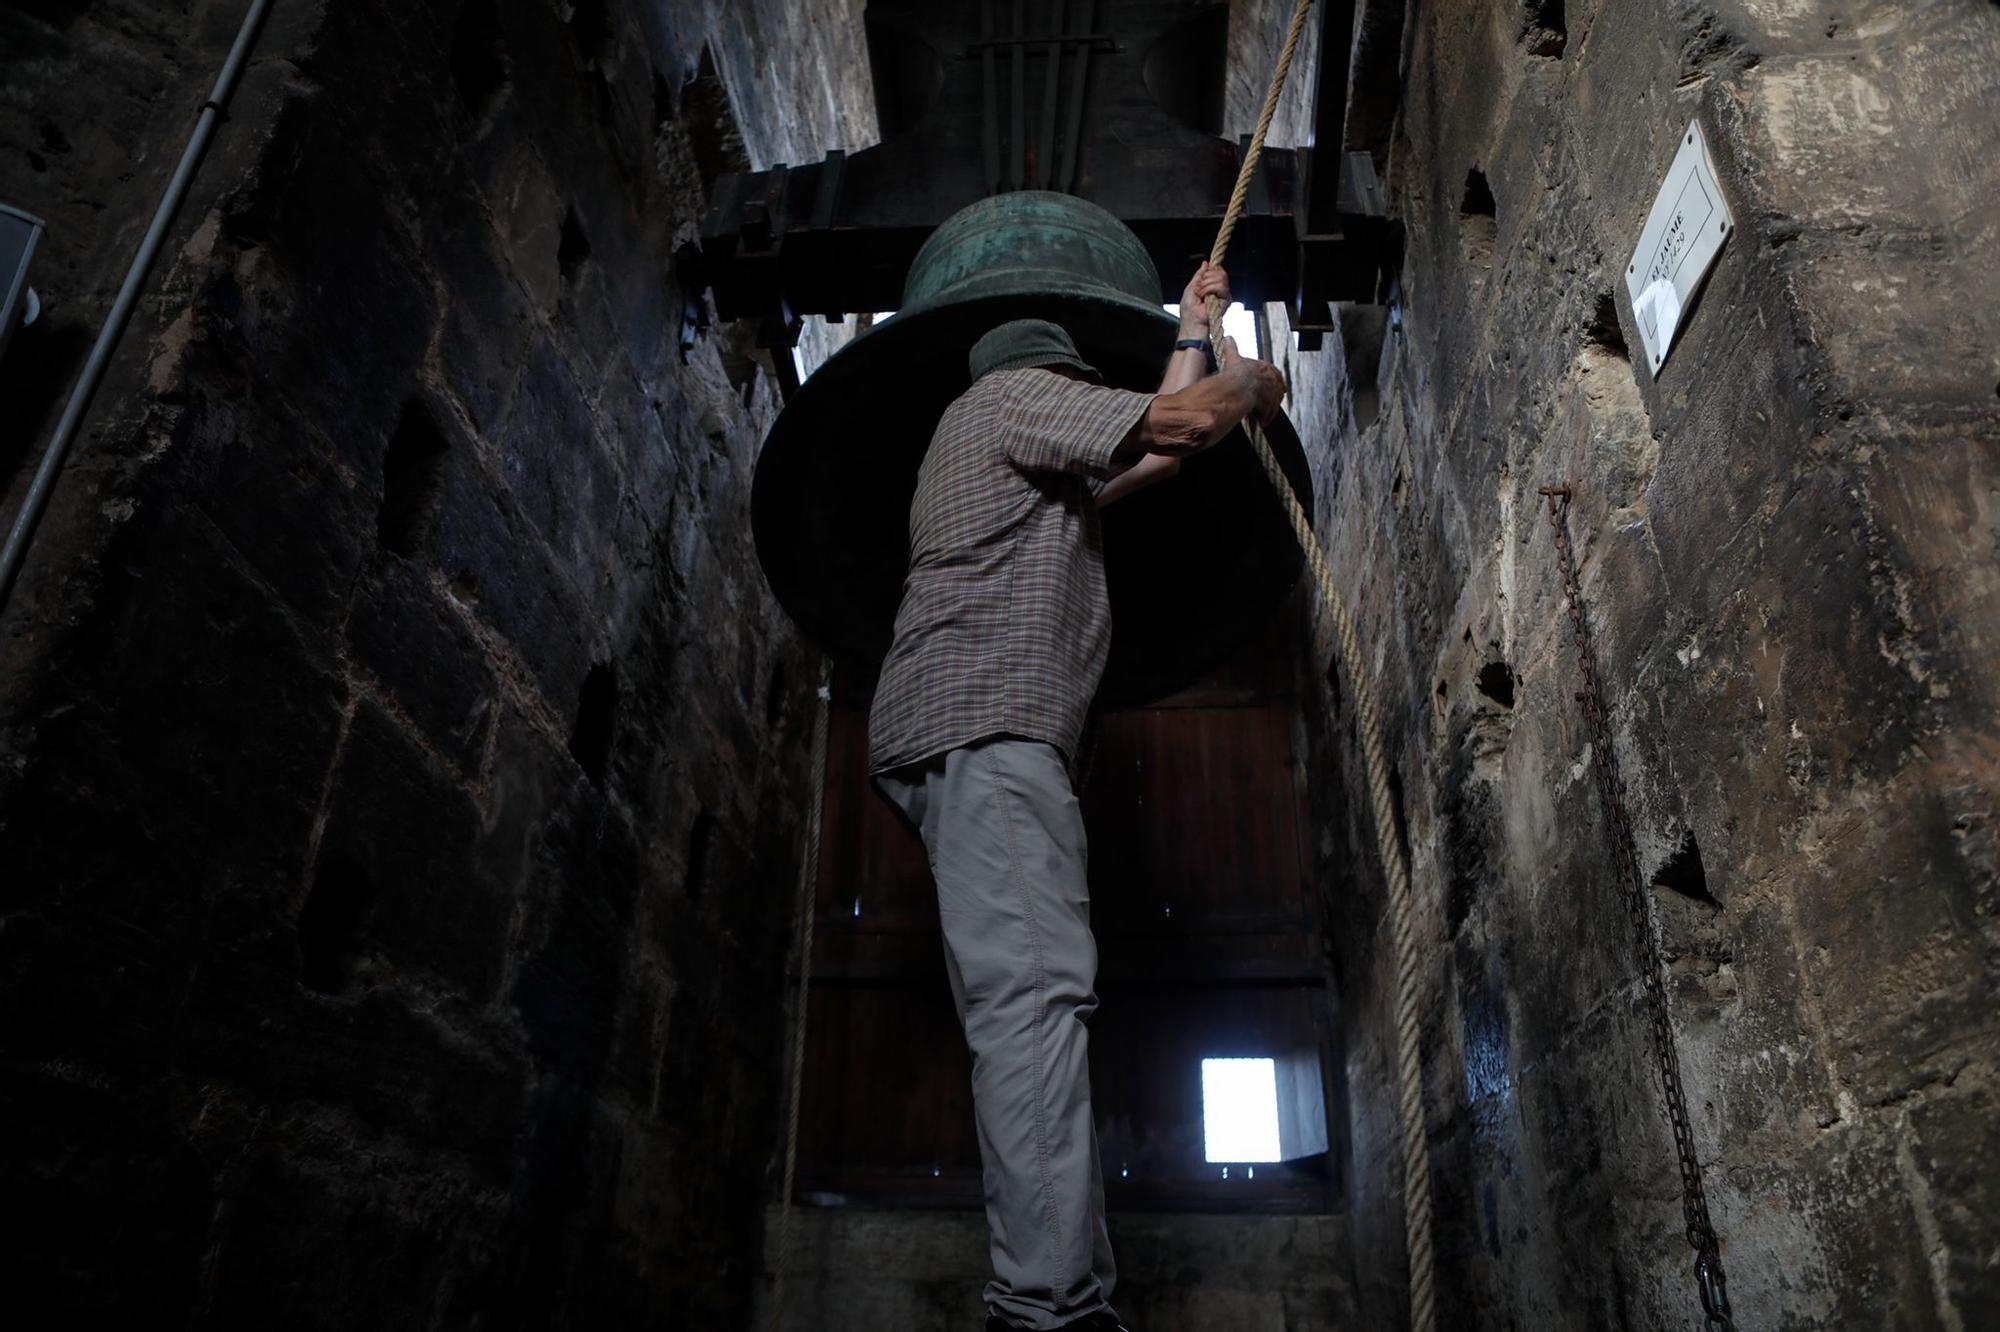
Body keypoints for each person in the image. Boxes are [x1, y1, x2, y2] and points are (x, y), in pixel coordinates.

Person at [869, 262, 1287, 1331]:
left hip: (961, 733)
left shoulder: (1007, 463)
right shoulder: (1010, 401)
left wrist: (1194, 327)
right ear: (1054, 382)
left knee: (1033, 1006)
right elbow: (1187, 427)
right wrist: (1251, 380)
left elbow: (1152, 453)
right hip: (988, 729)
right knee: (1034, 1004)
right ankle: (1047, 1308)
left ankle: (1066, 1291)